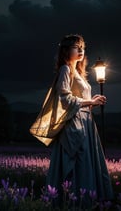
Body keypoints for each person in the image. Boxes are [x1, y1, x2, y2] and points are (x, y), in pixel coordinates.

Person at [46, 33, 114, 207]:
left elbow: (78, 100)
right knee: (79, 165)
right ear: (67, 50)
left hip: (85, 123)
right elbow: (65, 99)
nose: (81, 50)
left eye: (82, 47)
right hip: (74, 126)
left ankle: (85, 202)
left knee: (86, 165)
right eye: (77, 47)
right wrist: (90, 101)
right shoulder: (66, 69)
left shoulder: (77, 72)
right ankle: (76, 203)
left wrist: (93, 102)